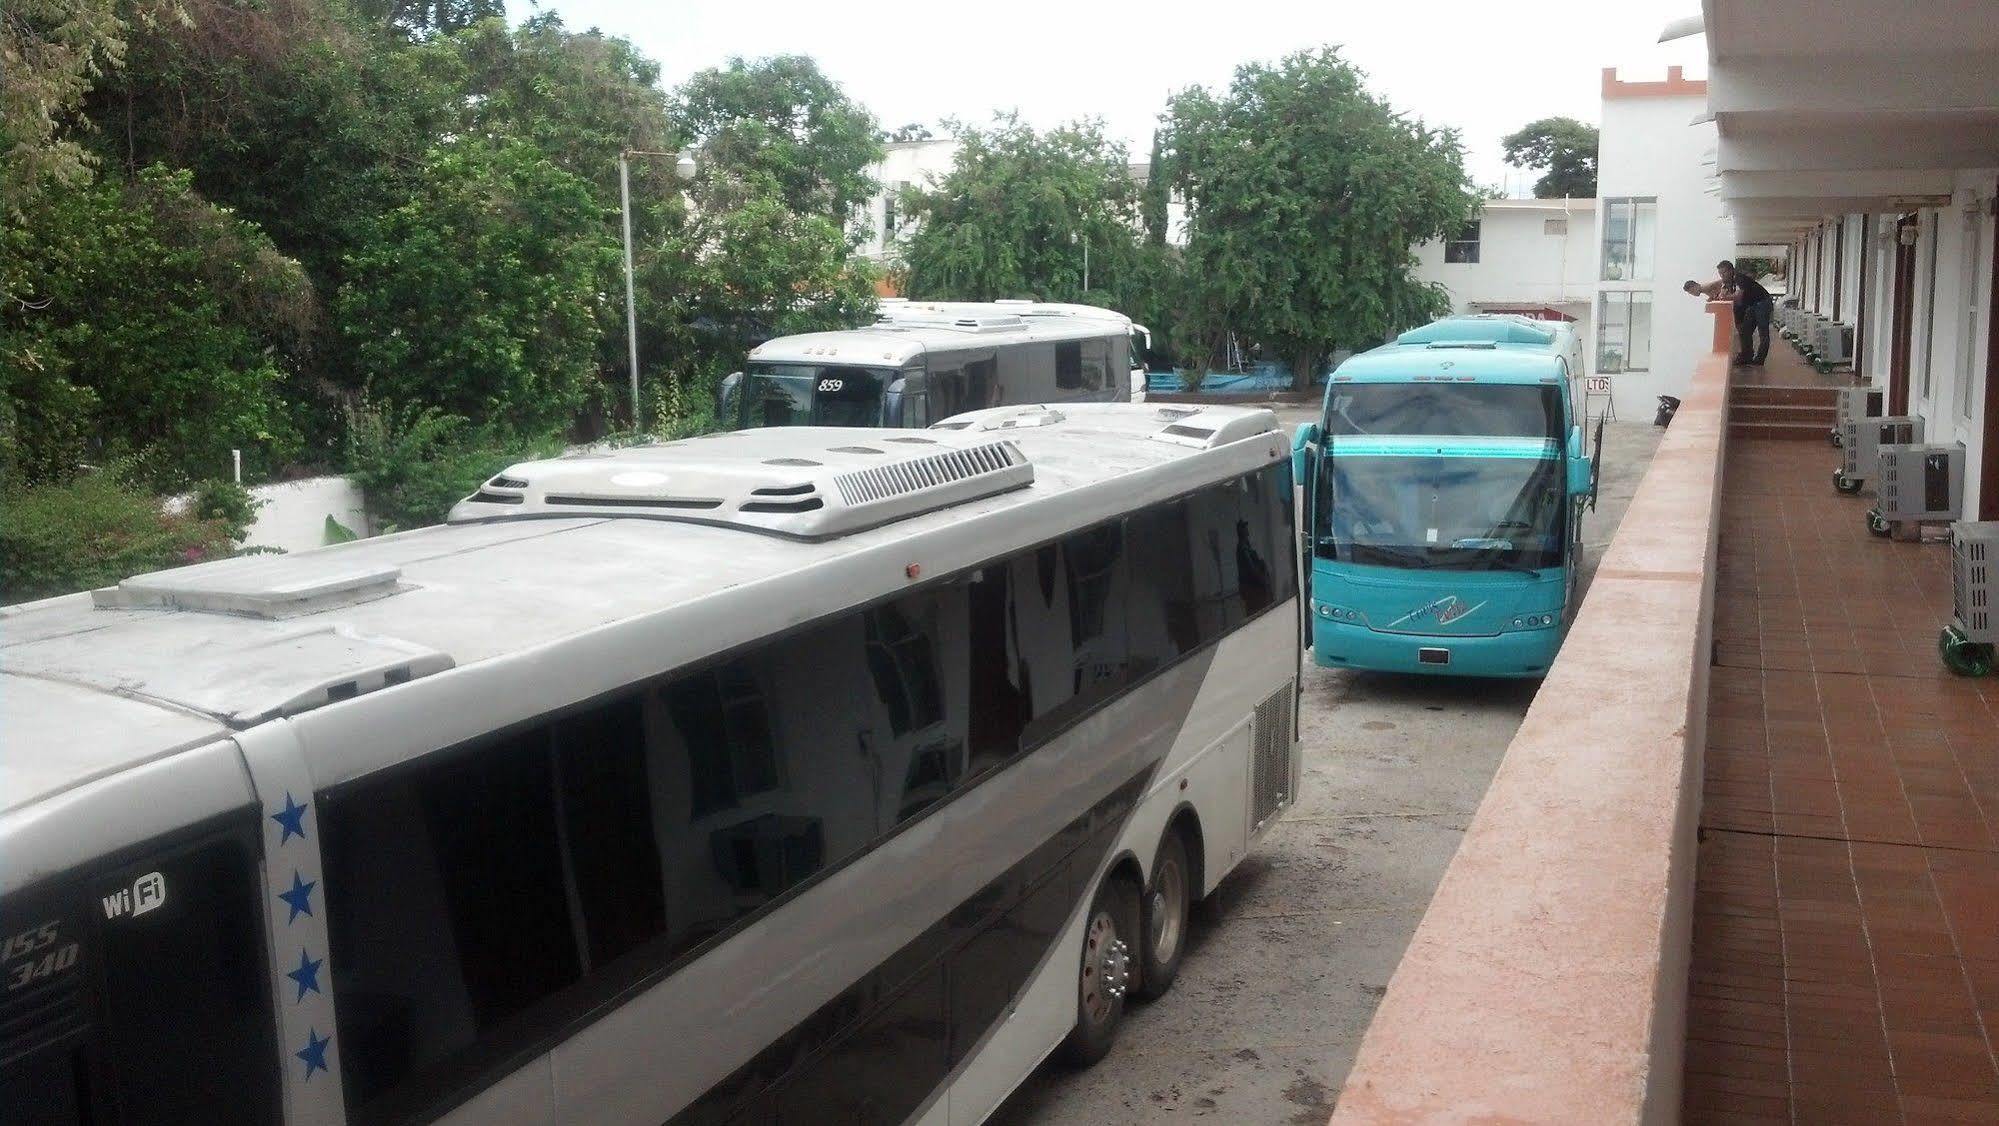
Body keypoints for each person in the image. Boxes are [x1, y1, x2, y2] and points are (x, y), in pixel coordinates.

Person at [1685, 261, 1772, 365]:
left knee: (1763, 331)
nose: (1722, 276)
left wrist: (1724, 297)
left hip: (1762, 302)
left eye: (1724, 273)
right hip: (1752, 304)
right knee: (1744, 331)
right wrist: (1718, 297)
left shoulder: (1739, 278)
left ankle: (1759, 359)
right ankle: (1746, 356)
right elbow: (1723, 292)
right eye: (1720, 274)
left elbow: (1739, 296)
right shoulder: (1727, 282)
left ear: (1731, 271)